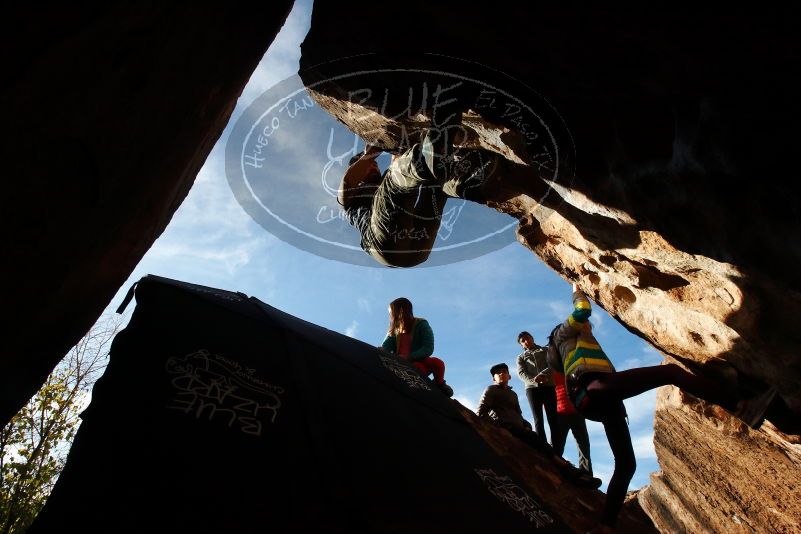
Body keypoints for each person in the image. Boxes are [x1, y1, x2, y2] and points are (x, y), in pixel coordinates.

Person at [547, 282, 778, 532]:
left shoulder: (580, 346)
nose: (589, 327)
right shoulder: (563, 334)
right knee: (669, 372)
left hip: (600, 399)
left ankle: (606, 526)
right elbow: (581, 310)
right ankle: (741, 407)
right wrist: (577, 291)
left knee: (626, 465)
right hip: (593, 387)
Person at [476, 362, 602, 489]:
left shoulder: (512, 394)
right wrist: (497, 426)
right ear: (493, 379)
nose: (501, 374)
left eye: (504, 371)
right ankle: (569, 470)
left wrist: (526, 424)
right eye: (498, 373)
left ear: (509, 376)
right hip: (507, 427)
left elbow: (518, 413)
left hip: (520, 429)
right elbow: (480, 412)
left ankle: (573, 472)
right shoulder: (491, 390)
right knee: (539, 442)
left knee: (541, 444)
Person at [381, 297, 453, 397]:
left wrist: (408, 357)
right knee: (417, 369)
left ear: (401, 312)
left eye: (392, 313)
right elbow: (385, 347)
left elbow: (428, 349)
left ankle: (439, 383)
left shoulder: (421, 325)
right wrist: (382, 351)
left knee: (438, 363)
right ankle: (423, 388)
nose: (391, 317)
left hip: (420, 360)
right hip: (402, 365)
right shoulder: (394, 331)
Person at [516, 331, 558, 444]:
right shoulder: (521, 357)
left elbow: (552, 364)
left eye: (527, 338)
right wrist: (534, 381)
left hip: (548, 385)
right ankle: (543, 446)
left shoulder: (545, 350)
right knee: (538, 419)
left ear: (532, 338)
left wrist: (543, 375)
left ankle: (555, 447)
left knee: (553, 417)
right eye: (523, 341)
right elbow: (521, 373)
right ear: (521, 345)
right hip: (532, 389)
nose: (526, 341)